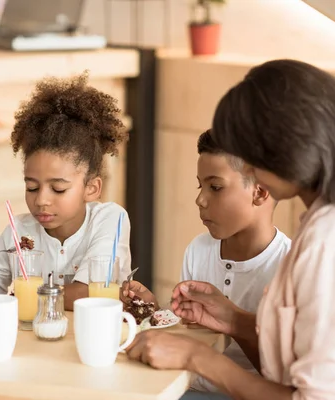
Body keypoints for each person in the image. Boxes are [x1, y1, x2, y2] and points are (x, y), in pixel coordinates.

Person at [126, 59, 335, 400]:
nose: (249, 166)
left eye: (251, 152)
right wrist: (233, 320)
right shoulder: (317, 223)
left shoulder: (325, 243)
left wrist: (198, 357)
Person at [121, 129, 291, 398]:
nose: (200, 199)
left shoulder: (289, 268)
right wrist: (151, 311)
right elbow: (187, 329)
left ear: (260, 192)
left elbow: (282, 377)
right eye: (200, 186)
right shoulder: (199, 250)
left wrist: (237, 324)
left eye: (216, 187)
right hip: (186, 387)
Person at [0, 72, 131, 310]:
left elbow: (89, 294)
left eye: (58, 189)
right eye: (32, 187)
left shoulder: (110, 219)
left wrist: (18, 299)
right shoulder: (19, 233)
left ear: (91, 188)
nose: (41, 200)